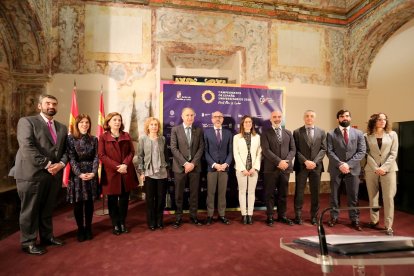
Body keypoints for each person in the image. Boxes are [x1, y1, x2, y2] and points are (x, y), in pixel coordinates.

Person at [9, 94, 67, 255]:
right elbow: (27, 147)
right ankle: (28, 242)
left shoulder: (62, 127)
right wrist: (48, 165)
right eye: (47, 103)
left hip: (53, 175)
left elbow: (65, 151)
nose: (51, 106)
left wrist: (60, 165)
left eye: (54, 104)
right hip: (31, 174)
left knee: (47, 209)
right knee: (30, 210)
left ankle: (47, 237)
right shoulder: (27, 122)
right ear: (40, 106)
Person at [98, 112, 138, 235]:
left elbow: (131, 152)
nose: (117, 122)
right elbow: (101, 155)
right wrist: (117, 167)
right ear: (108, 122)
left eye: (119, 120)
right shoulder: (103, 137)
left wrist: (125, 164)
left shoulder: (126, 135)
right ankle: (115, 224)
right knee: (112, 200)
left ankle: (122, 222)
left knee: (124, 200)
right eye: (114, 120)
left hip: (126, 171)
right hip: (111, 173)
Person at [326, 109, 366, 231]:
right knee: (334, 195)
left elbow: (362, 151)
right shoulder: (331, 133)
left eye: (347, 116)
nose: (345, 118)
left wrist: (348, 165)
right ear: (337, 119)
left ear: (350, 118)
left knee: (353, 196)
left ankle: (355, 219)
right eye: (342, 116)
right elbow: (329, 151)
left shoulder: (359, 133)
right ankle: (334, 217)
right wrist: (340, 164)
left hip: (353, 169)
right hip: (336, 168)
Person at [364, 113, 398, 235]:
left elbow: (393, 153)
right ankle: (374, 220)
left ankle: (388, 226)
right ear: (374, 121)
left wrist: (384, 167)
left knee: (388, 198)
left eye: (384, 119)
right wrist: (376, 167)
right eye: (379, 119)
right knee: (373, 197)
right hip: (371, 169)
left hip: (389, 170)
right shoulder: (366, 136)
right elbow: (366, 154)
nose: (383, 121)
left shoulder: (393, 134)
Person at [170, 107, 204, 228]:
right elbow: (173, 148)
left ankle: (193, 216)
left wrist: (192, 164)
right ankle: (178, 217)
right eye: (187, 115)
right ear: (182, 116)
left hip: (195, 167)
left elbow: (201, 148)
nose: (190, 117)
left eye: (191, 115)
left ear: (194, 117)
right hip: (180, 167)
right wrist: (185, 163)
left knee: (194, 194)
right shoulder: (175, 130)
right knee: (179, 194)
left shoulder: (198, 130)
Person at [67, 114, 99, 242]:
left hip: (91, 173)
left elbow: (97, 156)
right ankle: (80, 228)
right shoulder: (70, 139)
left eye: (87, 122)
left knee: (89, 203)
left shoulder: (94, 139)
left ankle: (88, 228)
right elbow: (71, 157)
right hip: (77, 175)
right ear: (77, 124)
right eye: (82, 122)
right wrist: (79, 173)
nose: (85, 124)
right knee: (78, 204)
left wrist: (94, 172)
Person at [261, 111, 296, 227]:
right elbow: (266, 150)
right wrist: (278, 161)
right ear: (271, 119)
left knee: (283, 193)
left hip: (285, 168)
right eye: (274, 117)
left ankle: (282, 216)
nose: (277, 119)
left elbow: (293, 150)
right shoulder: (265, 133)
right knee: (270, 193)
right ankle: (270, 216)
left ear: (282, 118)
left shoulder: (288, 133)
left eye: (279, 117)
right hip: (271, 169)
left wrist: (285, 161)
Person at [293, 110, 326, 226]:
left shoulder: (321, 132)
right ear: (304, 118)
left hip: (316, 167)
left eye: (311, 116)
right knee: (299, 192)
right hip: (302, 166)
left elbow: (323, 149)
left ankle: (314, 217)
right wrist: (305, 161)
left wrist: (314, 162)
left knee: (315, 193)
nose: (309, 118)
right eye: (307, 116)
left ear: (314, 118)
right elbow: (294, 150)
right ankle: (298, 215)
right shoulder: (297, 132)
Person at [137, 117, 169, 231]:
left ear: (158, 127)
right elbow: (140, 157)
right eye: (152, 124)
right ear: (148, 126)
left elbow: (166, 155)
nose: (154, 126)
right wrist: (141, 172)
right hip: (149, 174)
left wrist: (167, 168)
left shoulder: (163, 139)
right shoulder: (143, 139)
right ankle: (151, 222)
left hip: (162, 174)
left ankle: (159, 221)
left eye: (156, 124)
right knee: (150, 199)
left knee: (160, 199)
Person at [204, 111, 233, 225]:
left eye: (220, 117)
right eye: (215, 117)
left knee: (222, 193)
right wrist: (214, 165)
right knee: (210, 193)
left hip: (224, 169)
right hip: (212, 168)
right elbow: (205, 152)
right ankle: (210, 215)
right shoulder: (206, 133)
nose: (217, 119)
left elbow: (230, 152)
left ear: (223, 119)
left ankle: (222, 215)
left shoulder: (228, 133)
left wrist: (226, 164)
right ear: (212, 119)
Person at [233, 115, 261, 225]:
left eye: (250, 122)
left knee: (251, 192)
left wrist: (254, 167)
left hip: (254, 169)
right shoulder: (237, 137)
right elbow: (236, 154)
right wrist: (243, 169)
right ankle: (244, 215)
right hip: (241, 170)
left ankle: (250, 215)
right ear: (242, 124)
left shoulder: (257, 137)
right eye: (246, 122)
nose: (248, 124)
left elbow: (259, 153)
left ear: (252, 124)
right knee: (242, 192)